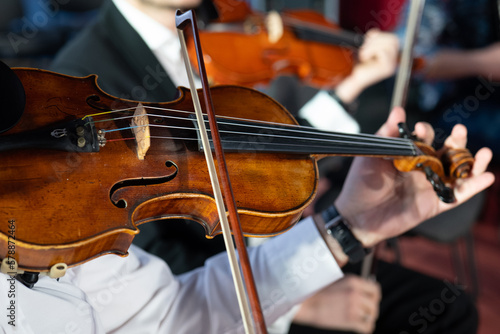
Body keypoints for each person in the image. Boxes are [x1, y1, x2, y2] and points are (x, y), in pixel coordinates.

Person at [44, 0, 493, 333]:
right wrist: (301, 305)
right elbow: (140, 256)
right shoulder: (81, 81)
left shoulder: (217, 31)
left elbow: (262, 151)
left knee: (447, 305)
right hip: (217, 285)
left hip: (274, 249)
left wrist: (352, 85)